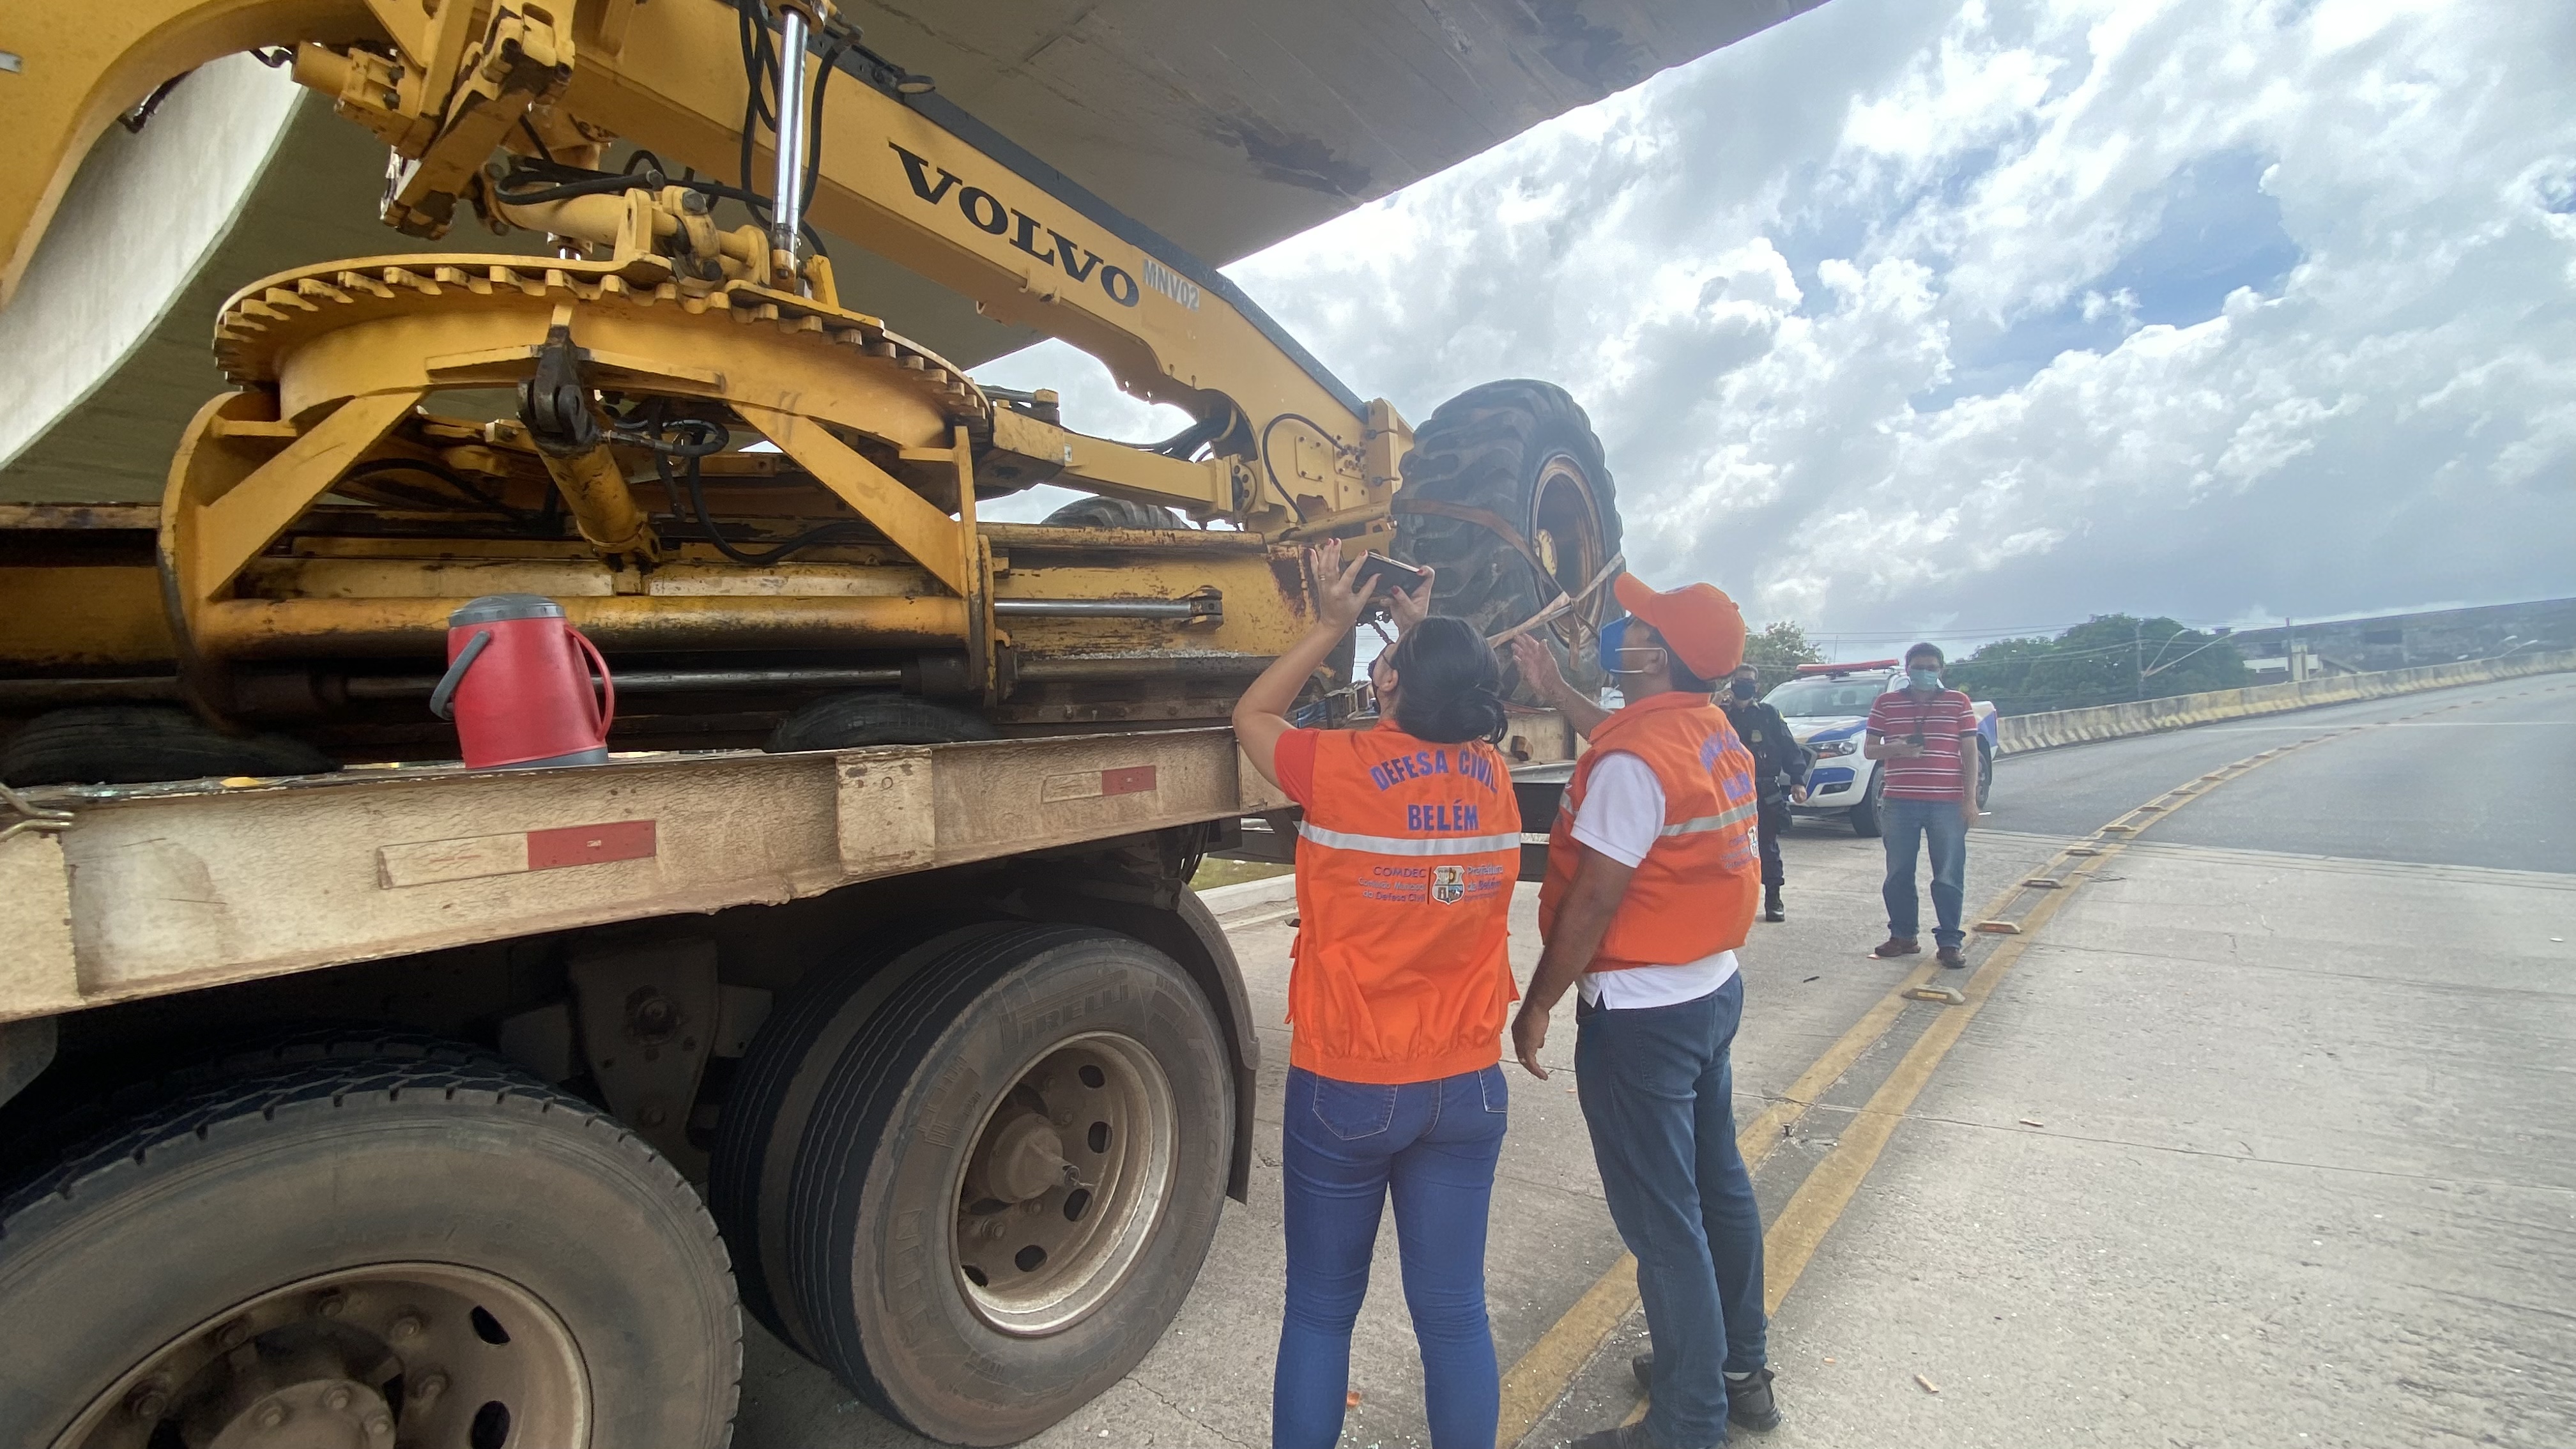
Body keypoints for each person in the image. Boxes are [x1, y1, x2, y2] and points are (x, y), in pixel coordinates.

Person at [1233, 540, 1524, 1449]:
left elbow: (1253, 711)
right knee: (1453, 1316)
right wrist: (1416, 631)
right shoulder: (1494, 776)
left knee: (1322, 1313)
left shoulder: (1340, 768)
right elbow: (1443, 702)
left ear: (1388, 685)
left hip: (1353, 1081)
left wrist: (1329, 624)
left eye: (1387, 663)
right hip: (1468, 1084)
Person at [1507, 576, 1781, 1449]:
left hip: (1641, 1016)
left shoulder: (1635, 763)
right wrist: (1554, 691)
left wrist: (1539, 1002)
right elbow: (1626, 742)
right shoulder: (1706, 730)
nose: (1623, 630)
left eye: (1640, 626)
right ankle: (1739, 1374)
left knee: (1666, 1226)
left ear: (1659, 655)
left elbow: (1591, 904)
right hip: (1709, 990)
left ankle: (1688, 1425)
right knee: (1717, 1188)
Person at [1862, 642, 1981, 968]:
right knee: (1898, 873)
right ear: (1907, 669)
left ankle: (1950, 942)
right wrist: (1897, 749)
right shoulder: (1886, 703)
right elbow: (1870, 750)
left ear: (1941, 671)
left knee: (1948, 874)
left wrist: (1970, 799)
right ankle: (1903, 935)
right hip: (1900, 801)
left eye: (1931, 668)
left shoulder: (1959, 703)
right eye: (1919, 667)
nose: (1925, 673)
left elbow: (1970, 754)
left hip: (1948, 803)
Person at [1722, 663, 1809, 923]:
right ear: (1732, 683)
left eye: (1748, 681)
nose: (1743, 685)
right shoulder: (1719, 714)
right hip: (1727, 790)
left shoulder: (1770, 715)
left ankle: (1773, 897)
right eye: (1739, 681)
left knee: (1767, 845)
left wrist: (1797, 781)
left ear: (1757, 686)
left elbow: (1789, 748)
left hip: (1764, 787)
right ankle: (1731, 903)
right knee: (1727, 847)